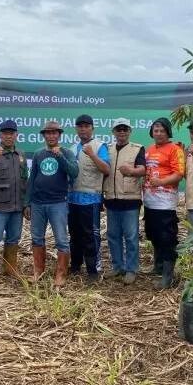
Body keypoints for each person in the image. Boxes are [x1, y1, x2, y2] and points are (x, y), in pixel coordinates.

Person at [24, 121, 79, 287]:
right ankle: (38, 271)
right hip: (38, 203)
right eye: (48, 133)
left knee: (62, 240)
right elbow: (32, 178)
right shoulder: (39, 154)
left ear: (59, 135)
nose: (51, 136)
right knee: (36, 238)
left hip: (58, 203)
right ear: (44, 135)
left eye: (54, 133)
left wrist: (59, 157)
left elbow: (74, 173)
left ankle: (61, 274)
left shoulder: (66, 152)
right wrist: (27, 202)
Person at [0, 120, 28, 281]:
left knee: (14, 238)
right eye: (5, 133)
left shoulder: (20, 155)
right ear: (0, 135)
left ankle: (10, 268)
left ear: (16, 135)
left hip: (17, 206)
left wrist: (26, 204)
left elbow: (25, 181)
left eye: (12, 133)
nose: (8, 136)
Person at [102, 118, 146, 284]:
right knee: (113, 235)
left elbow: (143, 170)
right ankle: (117, 267)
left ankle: (131, 269)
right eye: (118, 129)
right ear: (113, 132)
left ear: (130, 131)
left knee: (131, 236)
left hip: (130, 200)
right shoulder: (107, 149)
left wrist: (132, 171)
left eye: (125, 129)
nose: (121, 132)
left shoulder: (137, 149)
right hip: (111, 199)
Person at [143, 117, 185, 289]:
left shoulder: (175, 150)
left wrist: (161, 182)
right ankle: (158, 266)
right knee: (153, 235)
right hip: (149, 201)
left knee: (167, 238)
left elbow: (179, 173)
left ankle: (168, 276)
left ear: (168, 132)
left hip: (165, 202)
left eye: (161, 130)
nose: (158, 133)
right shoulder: (149, 149)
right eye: (155, 130)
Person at [68, 114, 110, 284]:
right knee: (74, 234)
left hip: (91, 199)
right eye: (80, 126)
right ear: (76, 129)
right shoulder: (71, 148)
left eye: (86, 126)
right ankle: (76, 266)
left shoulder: (100, 146)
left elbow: (106, 169)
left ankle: (93, 270)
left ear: (92, 128)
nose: (83, 129)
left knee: (90, 235)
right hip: (72, 199)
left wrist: (92, 155)